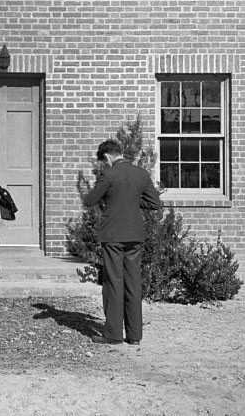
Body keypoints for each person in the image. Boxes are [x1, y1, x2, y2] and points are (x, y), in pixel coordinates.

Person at [81, 138, 161, 346]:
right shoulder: (141, 173)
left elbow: (89, 200)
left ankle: (113, 334)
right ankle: (134, 335)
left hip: (113, 235)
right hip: (135, 234)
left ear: (107, 156)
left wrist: (112, 199)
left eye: (103, 161)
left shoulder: (108, 174)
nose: (103, 165)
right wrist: (132, 200)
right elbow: (154, 203)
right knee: (133, 283)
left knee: (113, 282)